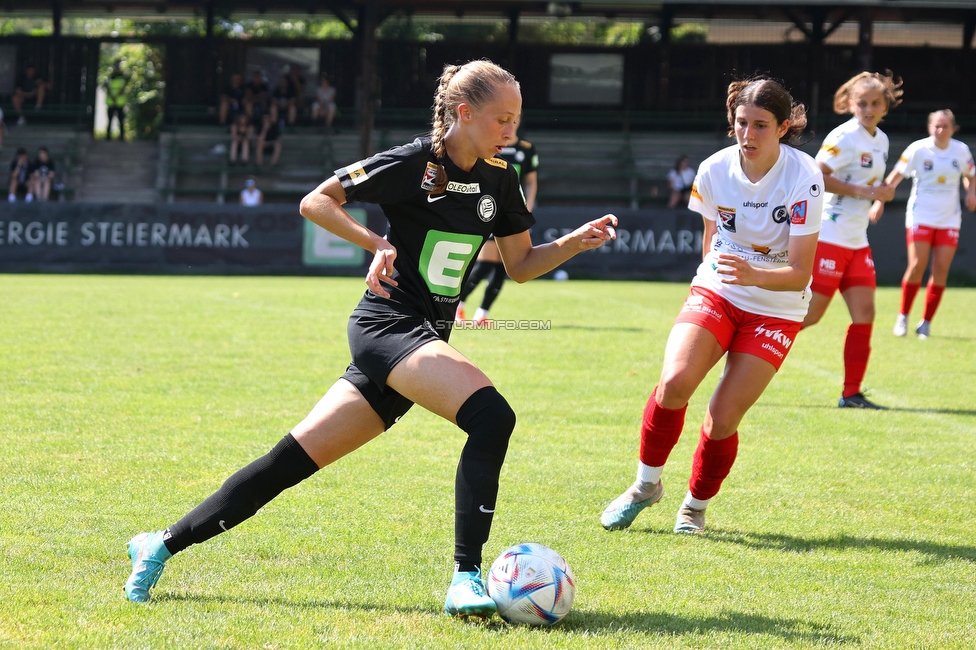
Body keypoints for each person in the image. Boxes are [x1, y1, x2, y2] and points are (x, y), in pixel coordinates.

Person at [122, 60, 618, 619]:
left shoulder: (500, 177)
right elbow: (317, 201)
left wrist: (574, 243)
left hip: (421, 341)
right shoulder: (413, 162)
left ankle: (159, 543)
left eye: (516, 119)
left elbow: (521, 265)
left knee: (287, 463)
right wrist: (375, 243)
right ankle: (465, 576)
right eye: (502, 119)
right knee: (492, 416)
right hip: (386, 326)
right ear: (463, 113)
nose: (511, 131)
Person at [600, 78, 823, 536]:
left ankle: (694, 508)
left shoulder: (805, 176)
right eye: (742, 123)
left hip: (778, 307)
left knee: (723, 417)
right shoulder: (714, 171)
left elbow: (800, 273)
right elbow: (710, 248)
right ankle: (646, 485)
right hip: (719, 291)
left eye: (761, 125)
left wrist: (756, 274)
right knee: (674, 382)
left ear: (782, 127)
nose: (749, 134)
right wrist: (720, 285)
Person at [800, 71, 902, 409]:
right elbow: (817, 174)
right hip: (829, 235)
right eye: (862, 103)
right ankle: (746, 352)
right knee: (811, 315)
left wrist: (877, 198)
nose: (869, 109)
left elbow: (873, 183)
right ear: (850, 105)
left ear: (886, 105)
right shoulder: (844, 136)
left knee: (865, 314)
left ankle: (851, 394)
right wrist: (866, 191)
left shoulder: (882, 140)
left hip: (857, 242)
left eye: (875, 103)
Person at [883, 110, 975, 339]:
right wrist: (878, 200)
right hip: (921, 214)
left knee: (941, 268)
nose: (940, 130)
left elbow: (970, 174)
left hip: (949, 218)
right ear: (929, 127)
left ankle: (926, 323)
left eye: (945, 126)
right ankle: (903, 316)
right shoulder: (918, 149)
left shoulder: (961, 150)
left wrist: (971, 191)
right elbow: (895, 175)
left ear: (953, 129)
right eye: (937, 126)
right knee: (917, 264)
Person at [455, 127, 539, 324]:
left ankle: (482, 314)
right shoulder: (490, 146)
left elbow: (531, 182)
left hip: (513, 213)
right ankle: (458, 306)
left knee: (505, 268)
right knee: (484, 265)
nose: (511, 123)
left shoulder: (526, 149)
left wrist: (527, 209)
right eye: (504, 119)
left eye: (514, 117)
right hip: (490, 211)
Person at [104, 62, 128, 141]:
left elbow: (123, 89)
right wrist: (113, 96)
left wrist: (115, 96)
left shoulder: (122, 77)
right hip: (111, 102)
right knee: (110, 120)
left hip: (119, 102)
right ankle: (108, 136)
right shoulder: (110, 77)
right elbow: (107, 88)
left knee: (121, 121)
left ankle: (121, 137)